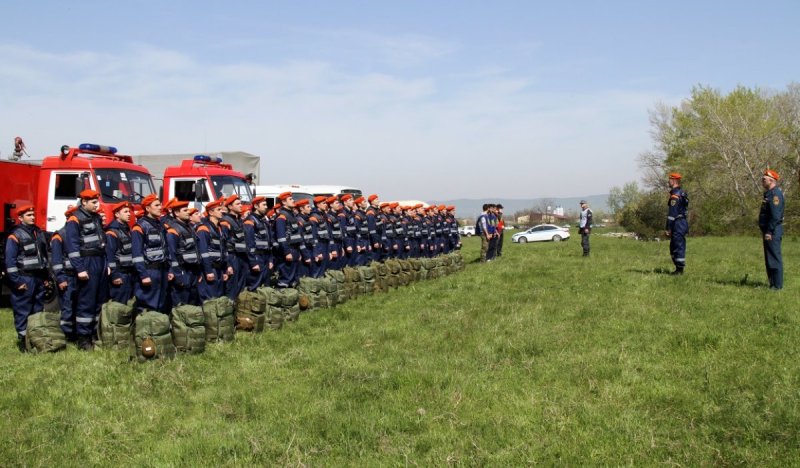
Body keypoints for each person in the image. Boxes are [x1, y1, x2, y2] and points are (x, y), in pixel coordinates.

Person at [65, 189, 107, 350]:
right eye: (93, 202)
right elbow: (73, 247)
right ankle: (83, 338)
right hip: (87, 261)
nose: (97, 205)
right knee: (86, 301)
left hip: (99, 260)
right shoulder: (75, 219)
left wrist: (106, 264)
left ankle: (95, 334)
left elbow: (102, 242)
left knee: (99, 299)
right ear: (84, 202)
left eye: (97, 201)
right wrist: (80, 268)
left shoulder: (96, 218)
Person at [4, 205, 50, 352]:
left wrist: (46, 277)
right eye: (29, 215)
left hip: (38, 278)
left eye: (33, 214)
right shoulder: (15, 235)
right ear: (20, 218)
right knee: (23, 311)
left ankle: (35, 340)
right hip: (24, 278)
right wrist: (17, 281)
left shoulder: (38, 232)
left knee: (37, 310)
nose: (32, 217)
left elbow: (43, 256)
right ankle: (23, 343)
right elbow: (10, 262)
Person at [131, 194, 172, 313]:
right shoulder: (140, 227)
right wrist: (143, 275)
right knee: (147, 306)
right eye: (157, 205)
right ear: (147, 208)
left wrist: (168, 269)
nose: (161, 207)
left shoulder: (160, 226)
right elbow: (137, 254)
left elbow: (165, 249)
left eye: (160, 205)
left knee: (161, 305)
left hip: (162, 270)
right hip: (150, 270)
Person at [105, 201, 136, 304]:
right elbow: (110, 256)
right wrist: (115, 275)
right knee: (119, 305)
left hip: (129, 272)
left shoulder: (127, 229)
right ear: (117, 214)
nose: (129, 214)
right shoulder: (112, 232)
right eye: (125, 211)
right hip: (120, 273)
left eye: (129, 211)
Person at [759, 169, 784, 290]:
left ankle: (777, 286)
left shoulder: (775, 195)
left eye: (764, 179)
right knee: (769, 258)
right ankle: (772, 284)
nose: (762, 181)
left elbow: (775, 216)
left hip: (773, 231)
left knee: (774, 258)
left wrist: (769, 231)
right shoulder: (768, 193)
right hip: (769, 230)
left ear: (772, 180)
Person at [665, 173, 689, 275]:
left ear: (675, 180)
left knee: (678, 246)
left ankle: (679, 270)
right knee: (674, 246)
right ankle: (678, 268)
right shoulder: (682, 193)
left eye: (670, 179)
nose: (668, 181)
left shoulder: (675, 196)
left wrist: (668, 228)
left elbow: (672, 214)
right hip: (681, 222)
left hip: (678, 223)